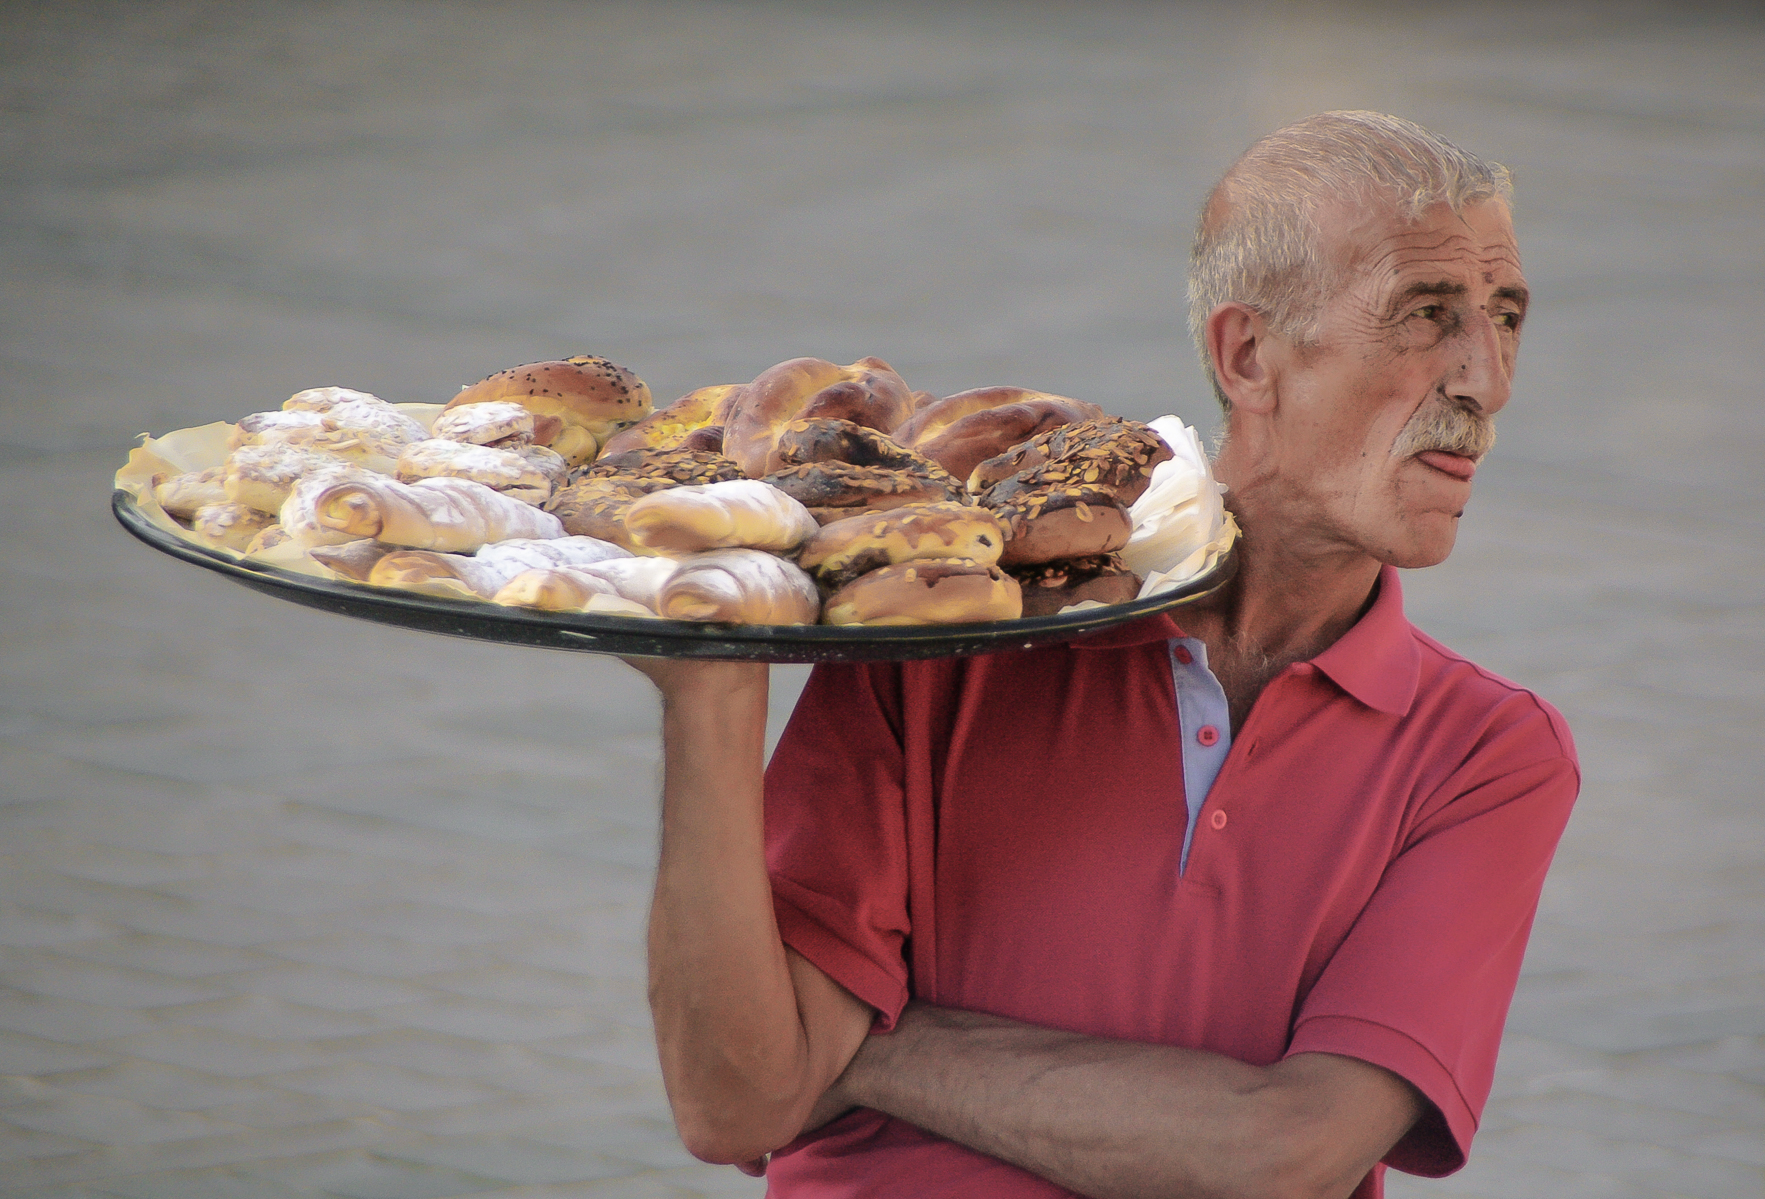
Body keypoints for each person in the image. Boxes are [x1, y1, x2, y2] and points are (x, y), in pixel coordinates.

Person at [628, 111, 1579, 1199]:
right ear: (1248, 354)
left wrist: (866, 1052)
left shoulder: (1489, 755)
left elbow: (1284, 1151)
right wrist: (708, 697)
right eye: (1426, 316)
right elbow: (736, 1101)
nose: (1486, 381)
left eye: (1504, 317)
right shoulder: (955, 633)